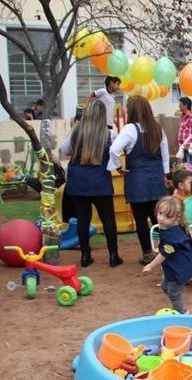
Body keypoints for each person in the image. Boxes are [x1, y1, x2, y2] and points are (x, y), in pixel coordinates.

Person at [59, 99, 121, 268]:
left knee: (82, 220)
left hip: (78, 182)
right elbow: (116, 153)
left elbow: (64, 150)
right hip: (100, 182)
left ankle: (85, 256)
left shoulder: (76, 131)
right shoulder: (110, 133)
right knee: (108, 219)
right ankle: (113, 255)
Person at [108, 96, 169, 265]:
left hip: (137, 180)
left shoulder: (129, 129)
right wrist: (165, 176)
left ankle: (148, 253)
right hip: (156, 179)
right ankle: (167, 250)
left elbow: (113, 150)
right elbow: (164, 158)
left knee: (141, 219)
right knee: (160, 218)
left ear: (133, 111)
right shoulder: (158, 129)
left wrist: (118, 167)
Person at [143, 197, 192, 314]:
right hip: (173, 266)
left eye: (167, 216)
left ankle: (183, 313)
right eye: (160, 213)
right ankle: (179, 308)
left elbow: (164, 254)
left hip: (179, 268)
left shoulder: (172, 235)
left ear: (177, 217)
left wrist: (151, 265)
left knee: (174, 293)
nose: (161, 218)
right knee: (165, 287)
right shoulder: (173, 225)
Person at [177, 97, 192, 167]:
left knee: (189, 168)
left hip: (189, 146)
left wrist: (187, 143)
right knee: (183, 168)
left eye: (180, 104)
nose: (179, 106)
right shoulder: (182, 116)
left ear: (186, 105)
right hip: (182, 146)